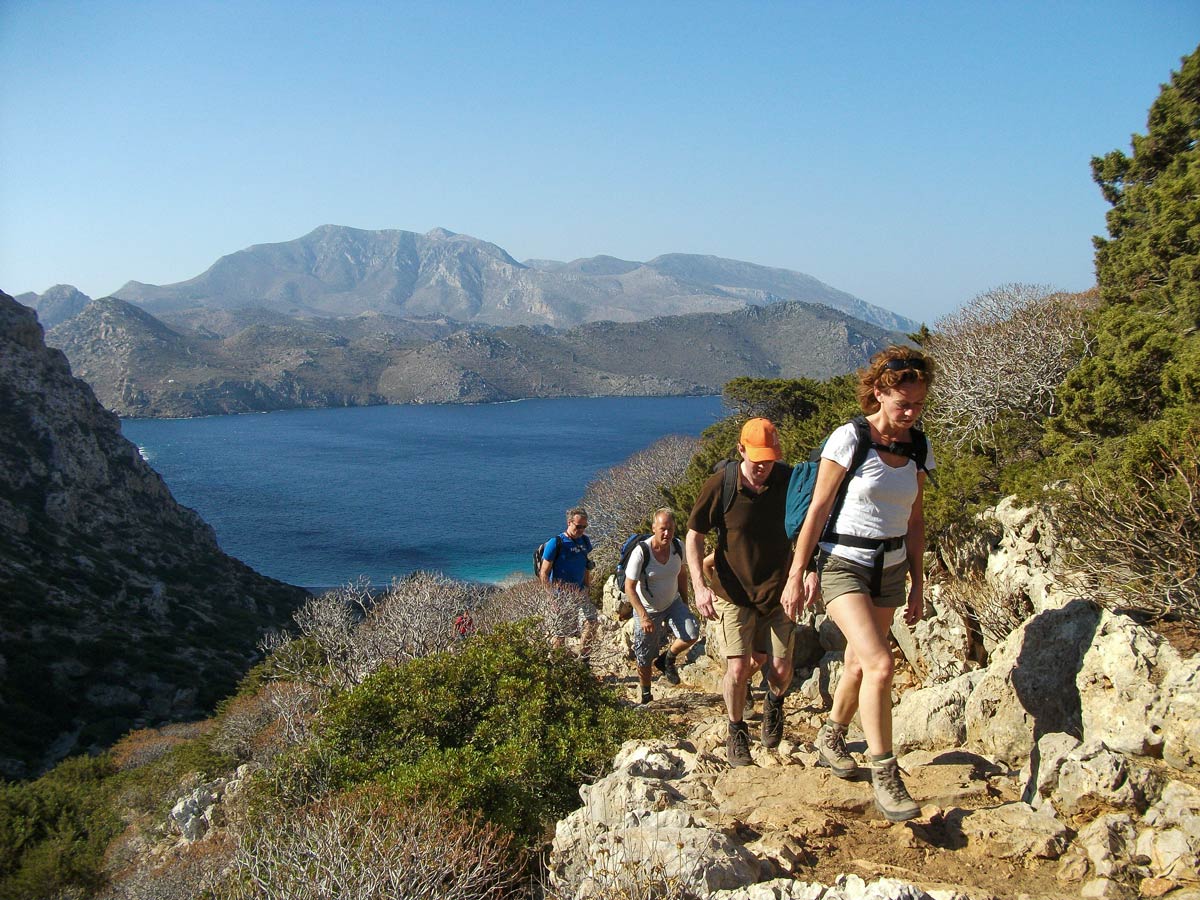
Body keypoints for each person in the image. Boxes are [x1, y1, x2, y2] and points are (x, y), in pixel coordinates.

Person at [781, 346, 935, 823]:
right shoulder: (850, 438)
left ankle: (830, 735)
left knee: (855, 665)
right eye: (901, 404)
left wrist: (917, 582)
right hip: (842, 565)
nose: (909, 413)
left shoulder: (918, 446)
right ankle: (885, 773)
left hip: (890, 570)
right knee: (880, 664)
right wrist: (797, 573)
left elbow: (914, 519)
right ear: (879, 393)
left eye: (918, 405)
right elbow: (818, 509)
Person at [686, 417, 809, 766]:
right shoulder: (720, 485)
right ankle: (736, 729)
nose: (762, 469)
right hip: (733, 593)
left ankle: (773, 702)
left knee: (781, 669)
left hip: (779, 591)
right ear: (741, 450)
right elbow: (693, 536)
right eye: (757, 461)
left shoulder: (787, 481)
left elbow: (809, 527)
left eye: (769, 461)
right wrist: (699, 586)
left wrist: (807, 572)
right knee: (738, 670)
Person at [624, 508, 699, 704]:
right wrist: (643, 616)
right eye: (663, 529)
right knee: (644, 656)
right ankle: (646, 694)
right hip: (648, 609)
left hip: (672, 602)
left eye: (671, 529)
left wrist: (685, 601)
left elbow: (682, 574)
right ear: (654, 528)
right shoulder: (642, 552)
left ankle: (667, 659)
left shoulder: (677, 546)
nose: (667, 534)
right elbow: (629, 587)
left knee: (691, 633)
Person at [539, 506, 598, 659]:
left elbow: (585, 565)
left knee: (592, 622)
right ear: (569, 522)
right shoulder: (556, 543)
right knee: (561, 633)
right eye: (578, 526)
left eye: (584, 527)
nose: (581, 530)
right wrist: (551, 597)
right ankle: (557, 662)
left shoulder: (585, 541)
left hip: (580, 592)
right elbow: (544, 573)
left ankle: (584, 656)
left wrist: (587, 587)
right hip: (561, 595)